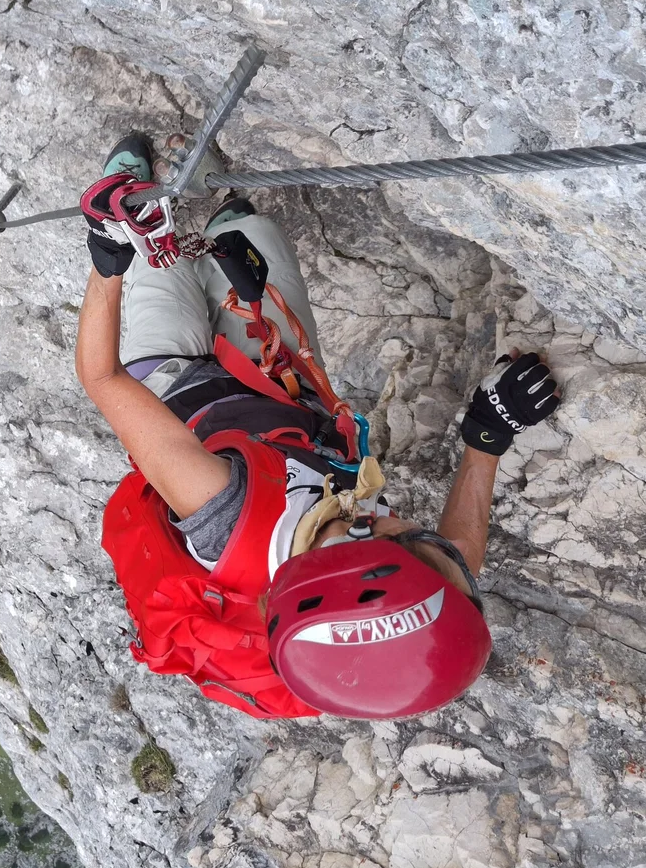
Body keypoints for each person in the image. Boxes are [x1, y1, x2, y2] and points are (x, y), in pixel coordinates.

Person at [77, 132, 562, 720]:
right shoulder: (389, 566)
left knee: (153, 249)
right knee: (250, 233)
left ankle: (144, 206)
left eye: (403, 532)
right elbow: (461, 555)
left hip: (178, 388)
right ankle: (215, 215)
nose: (405, 520)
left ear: (358, 543)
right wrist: (487, 435)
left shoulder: (227, 513)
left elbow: (103, 381)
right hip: (280, 396)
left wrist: (107, 260)